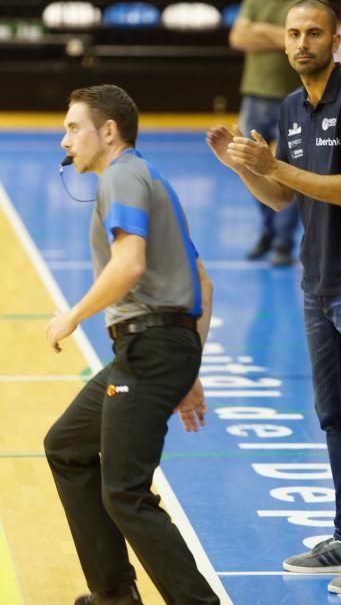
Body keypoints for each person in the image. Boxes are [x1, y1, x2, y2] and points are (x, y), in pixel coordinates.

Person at [207, 0, 341, 595]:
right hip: (317, 282)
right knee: (333, 415)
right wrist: (243, 167)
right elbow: (280, 199)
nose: (301, 42)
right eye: (293, 33)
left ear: (336, 39)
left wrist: (277, 165)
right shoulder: (291, 106)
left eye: (313, 33)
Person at [44, 84, 220, 605]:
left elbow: (130, 263)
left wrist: (71, 316)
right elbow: (203, 283)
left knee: (124, 491)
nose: (66, 140)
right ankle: (114, 594)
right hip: (156, 350)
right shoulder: (146, 177)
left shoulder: (122, 175)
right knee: (68, 446)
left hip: (150, 349)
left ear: (109, 131)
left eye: (74, 127)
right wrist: (189, 365)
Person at [230, 0, 327, 265]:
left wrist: (261, 30)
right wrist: (284, 34)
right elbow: (238, 37)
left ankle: (285, 241)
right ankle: (268, 229)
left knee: (288, 169)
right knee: (250, 166)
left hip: (297, 99)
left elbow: (311, 47)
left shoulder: (314, 0)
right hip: (255, 95)